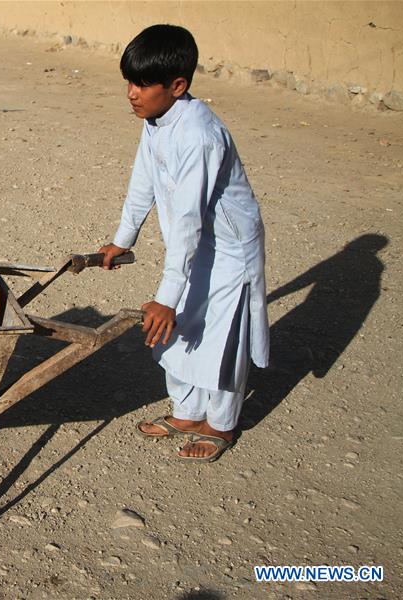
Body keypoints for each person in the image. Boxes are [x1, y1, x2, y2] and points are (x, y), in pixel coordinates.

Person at [98, 24, 269, 463]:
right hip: (192, 243)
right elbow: (144, 179)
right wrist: (122, 238)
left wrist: (166, 296)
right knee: (181, 329)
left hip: (229, 248)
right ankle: (189, 412)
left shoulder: (199, 134)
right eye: (129, 83)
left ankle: (221, 423)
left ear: (178, 85)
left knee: (219, 335)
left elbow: (191, 218)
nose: (132, 94)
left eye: (142, 84)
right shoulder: (155, 119)